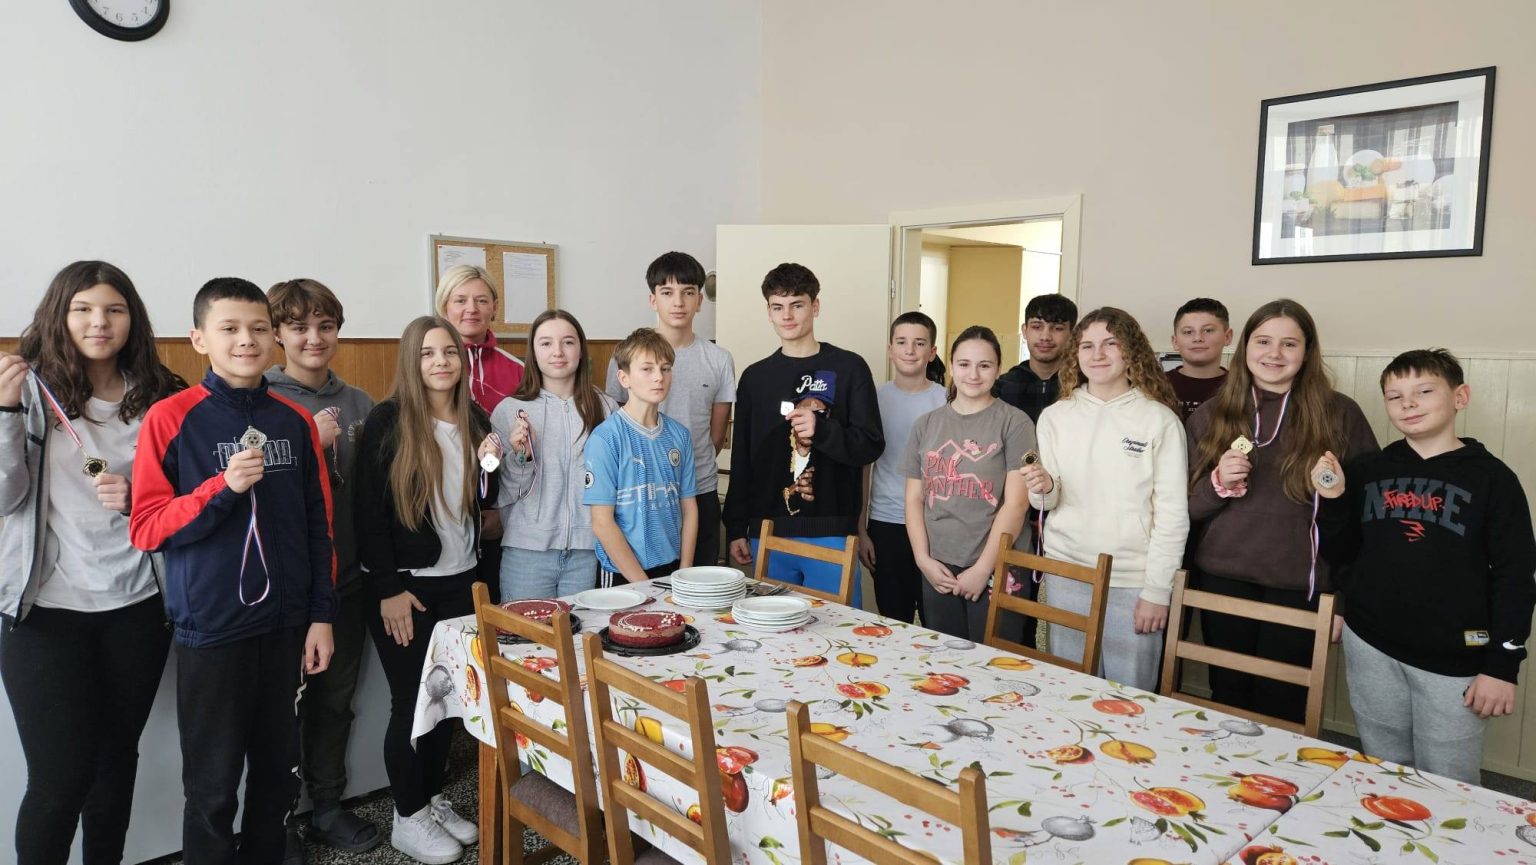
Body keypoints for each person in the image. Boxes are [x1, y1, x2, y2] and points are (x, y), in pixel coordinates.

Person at [129, 277, 336, 865]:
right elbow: (147, 527)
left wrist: (321, 616)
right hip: (213, 631)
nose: (246, 340)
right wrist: (221, 489)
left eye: (258, 328)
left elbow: (319, 526)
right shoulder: (171, 418)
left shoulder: (294, 421)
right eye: (229, 329)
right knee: (213, 786)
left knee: (277, 776)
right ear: (199, 339)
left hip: (286, 628)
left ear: (274, 338)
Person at [0, 261, 183, 865]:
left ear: (133, 319)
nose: (98, 322)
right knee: (59, 781)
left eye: (114, 309)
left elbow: (193, 498)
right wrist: (4, 414)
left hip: (138, 606)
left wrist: (141, 496)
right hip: (46, 612)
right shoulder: (27, 390)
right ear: (60, 315)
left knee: (114, 765)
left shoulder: (164, 393)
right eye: (82, 309)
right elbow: (4, 499)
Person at [1315, 349, 1536, 784]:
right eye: (1394, 396)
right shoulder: (1368, 470)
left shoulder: (1493, 479)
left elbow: (1515, 575)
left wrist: (1501, 665)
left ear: (1460, 397)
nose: (1408, 404)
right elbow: (1342, 551)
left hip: (1454, 657)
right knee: (1383, 764)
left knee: (1448, 777)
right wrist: (1336, 499)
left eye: (1424, 391)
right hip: (1371, 643)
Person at [1185, 298, 1378, 724]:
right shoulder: (1211, 415)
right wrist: (1218, 486)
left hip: (1302, 588)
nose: (1274, 353)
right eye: (1263, 341)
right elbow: (1187, 510)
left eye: (1289, 344)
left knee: (1283, 707)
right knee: (1227, 700)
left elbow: (1366, 521)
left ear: (1307, 352)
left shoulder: (1341, 414)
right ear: (1245, 348)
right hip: (1222, 580)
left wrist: (1343, 600)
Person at [353, 316, 498, 864]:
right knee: (412, 702)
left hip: (463, 579)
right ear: (412, 362)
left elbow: (484, 499)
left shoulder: (475, 418)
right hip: (407, 588)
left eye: (450, 352)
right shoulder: (389, 420)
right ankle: (407, 815)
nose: (441, 362)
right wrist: (387, 588)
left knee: (449, 700)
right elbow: (368, 514)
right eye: (428, 353)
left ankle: (432, 799)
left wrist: (496, 462)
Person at [263, 279, 380, 857]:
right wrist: (311, 440)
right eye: (299, 327)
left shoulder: (360, 402)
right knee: (276, 712)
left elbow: (374, 496)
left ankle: (327, 807)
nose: (314, 337)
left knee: (334, 703)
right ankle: (277, 822)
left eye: (325, 326)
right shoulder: (260, 398)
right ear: (277, 333)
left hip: (345, 585)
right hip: (282, 592)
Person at [1021, 308, 1189, 690]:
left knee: (1130, 699)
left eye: (1110, 344)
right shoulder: (1055, 416)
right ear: (1075, 354)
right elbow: (1046, 504)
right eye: (1087, 346)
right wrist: (1042, 488)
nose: (1097, 354)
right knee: (1069, 690)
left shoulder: (1158, 420)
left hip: (1132, 581)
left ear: (1131, 352)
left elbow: (1173, 515)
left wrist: (1157, 591)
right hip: (1067, 571)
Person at [723, 263, 883, 606]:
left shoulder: (850, 368)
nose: (787, 315)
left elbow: (870, 446)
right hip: (767, 532)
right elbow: (742, 458)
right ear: (768, 311)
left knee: (839, 631)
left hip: (832, 531)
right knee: (774, 632)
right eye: (778, 307)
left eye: (797, 304)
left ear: (815, 306)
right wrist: (737, 526)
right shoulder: (754, 378)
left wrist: (822, 430)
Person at [605, 252, 735, 567]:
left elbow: (716, 435)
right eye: (667, 292)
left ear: (700, 300)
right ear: (653, 299)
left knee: (698, 581)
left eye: (688, 292)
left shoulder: (718, 359)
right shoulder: (626, 357)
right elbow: (618, 424)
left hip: (700, 489)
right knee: (644, 586)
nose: (678, 302)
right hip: (641, 492)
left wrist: (687, 467)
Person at [904, 326, 1034, 640]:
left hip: (998, 565)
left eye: (984, 365)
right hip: (939, 566)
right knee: (945, 658)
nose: (973, 374)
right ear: (950, 366)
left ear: (998, 369)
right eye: (964, 364)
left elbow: (1017, 504)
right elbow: (914, 499)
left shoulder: (1015, 422)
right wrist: (923, 560)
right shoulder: (926, 425)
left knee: (997, 661)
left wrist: (983, 569)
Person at [495, 309, 616, 599]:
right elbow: (504, 493)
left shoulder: (606, 408)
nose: (558, 352)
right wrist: (521, 456)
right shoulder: (509, 410)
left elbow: (614, 483)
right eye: (546, 343)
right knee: (525, 629)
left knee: (582, 629)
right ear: (533, 352)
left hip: (589, 551)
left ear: (581, 350)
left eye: (568, 342)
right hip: (527, 553)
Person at [433, 264, 522, 595]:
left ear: (494, 307)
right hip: (441, 514)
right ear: (444, 306)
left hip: (499, 515)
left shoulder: (518, 371)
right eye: (460, 300)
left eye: (481, 300)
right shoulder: (427, 367)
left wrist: (502, 511)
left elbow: (525, 451)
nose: (471, 309)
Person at [585, 328, 697, 584]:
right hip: (623, 573)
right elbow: (602, 522)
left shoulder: (680, 435)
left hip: (672, 568)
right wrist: (643, 585)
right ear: (624, 378)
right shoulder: (606, 438)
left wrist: (685, 571)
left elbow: (689, 508)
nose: (659, 377)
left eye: (665, 369)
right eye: (647, 369)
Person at [860, 311, 946, 623]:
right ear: (890, 349)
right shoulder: (874, 399)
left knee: (938, 620)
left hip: (936, 524)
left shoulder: (947, 400)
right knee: (894, 618)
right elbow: (865, 467)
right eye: (901, 342)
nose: (910, 350)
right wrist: (861, 528)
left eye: (919, 343)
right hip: (886, 523)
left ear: (932, 352)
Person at [995, 294, 1078, 423]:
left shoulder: (1082, 386)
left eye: (1057, 328)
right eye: (1037, 327)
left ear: (1072, 335)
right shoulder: (1001, 388)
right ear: (1025, 331)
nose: (1045, 337)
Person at [1167, 297, 1233, 421]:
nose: (1197, 338)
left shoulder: (1242, 387)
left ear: (1227, 337)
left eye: (1208, 330)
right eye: (1188, 332)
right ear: (1175, 342)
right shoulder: (1155, 386)